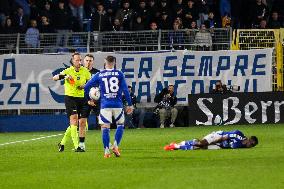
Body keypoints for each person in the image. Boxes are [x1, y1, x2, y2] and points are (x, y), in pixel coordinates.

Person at [84, 55, 133, 158]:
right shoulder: (119, 74)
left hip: (105, 104)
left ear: (105, 62)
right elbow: (125, 90)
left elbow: (87, 87)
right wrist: (130, 104)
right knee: (120, 125)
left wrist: (88, 99)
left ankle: (106, 151)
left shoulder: (99, 74)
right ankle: (115, 146)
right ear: (114, 63)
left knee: (105, 128)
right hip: (118, 104)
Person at [53, 52, 91, 152]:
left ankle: (62, 143)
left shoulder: (85, 71)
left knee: (78, 123)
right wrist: (64, 77)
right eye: (77, 60)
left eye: (80, 60)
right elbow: (54, 78)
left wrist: (85, 86)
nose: (79, 61)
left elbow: (90, 82)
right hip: (70, 98)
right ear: (72, 61)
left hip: (82, 99)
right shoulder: (68, 71)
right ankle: (77, 146)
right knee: (74, 120)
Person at [164, 130, 258, 151]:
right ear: (249, 139)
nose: (251, 146)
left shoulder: (242, 147)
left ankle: (178, 145)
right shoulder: (238, 134)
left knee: (199, 148)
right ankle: (175, 146)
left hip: (220, 146)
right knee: (201, 144)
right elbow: (224, 137)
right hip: (218, 136)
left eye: (252, 146)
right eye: (251, 144)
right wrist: (213, 142)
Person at [83, 54, 100, 130]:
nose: (88, 62)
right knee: (83, 120)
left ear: (93, 62)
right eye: (87, 60)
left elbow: (101, 86)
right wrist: (88, 100)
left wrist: (96, 98)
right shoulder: (80, 72)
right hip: (84, 99)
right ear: (84, 61)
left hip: (96, 99)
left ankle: (104, 136)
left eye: (90, 61)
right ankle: (82, 138)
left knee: (100, 117)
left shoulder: (97, 73)